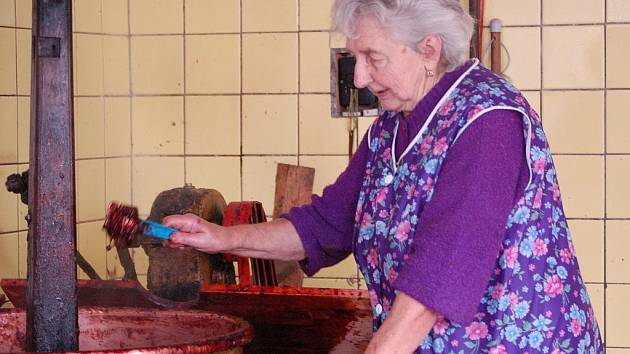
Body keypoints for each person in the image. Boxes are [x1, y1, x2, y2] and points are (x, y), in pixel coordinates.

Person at [163, 0, 603, 352]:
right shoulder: (392, 127)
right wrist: (220, 238)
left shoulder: (486, 121)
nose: (360, 76)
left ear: (428, 49)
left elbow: (442, 271)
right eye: (355, 57)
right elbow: (327, 224)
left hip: (514, 342)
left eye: (373, 57)